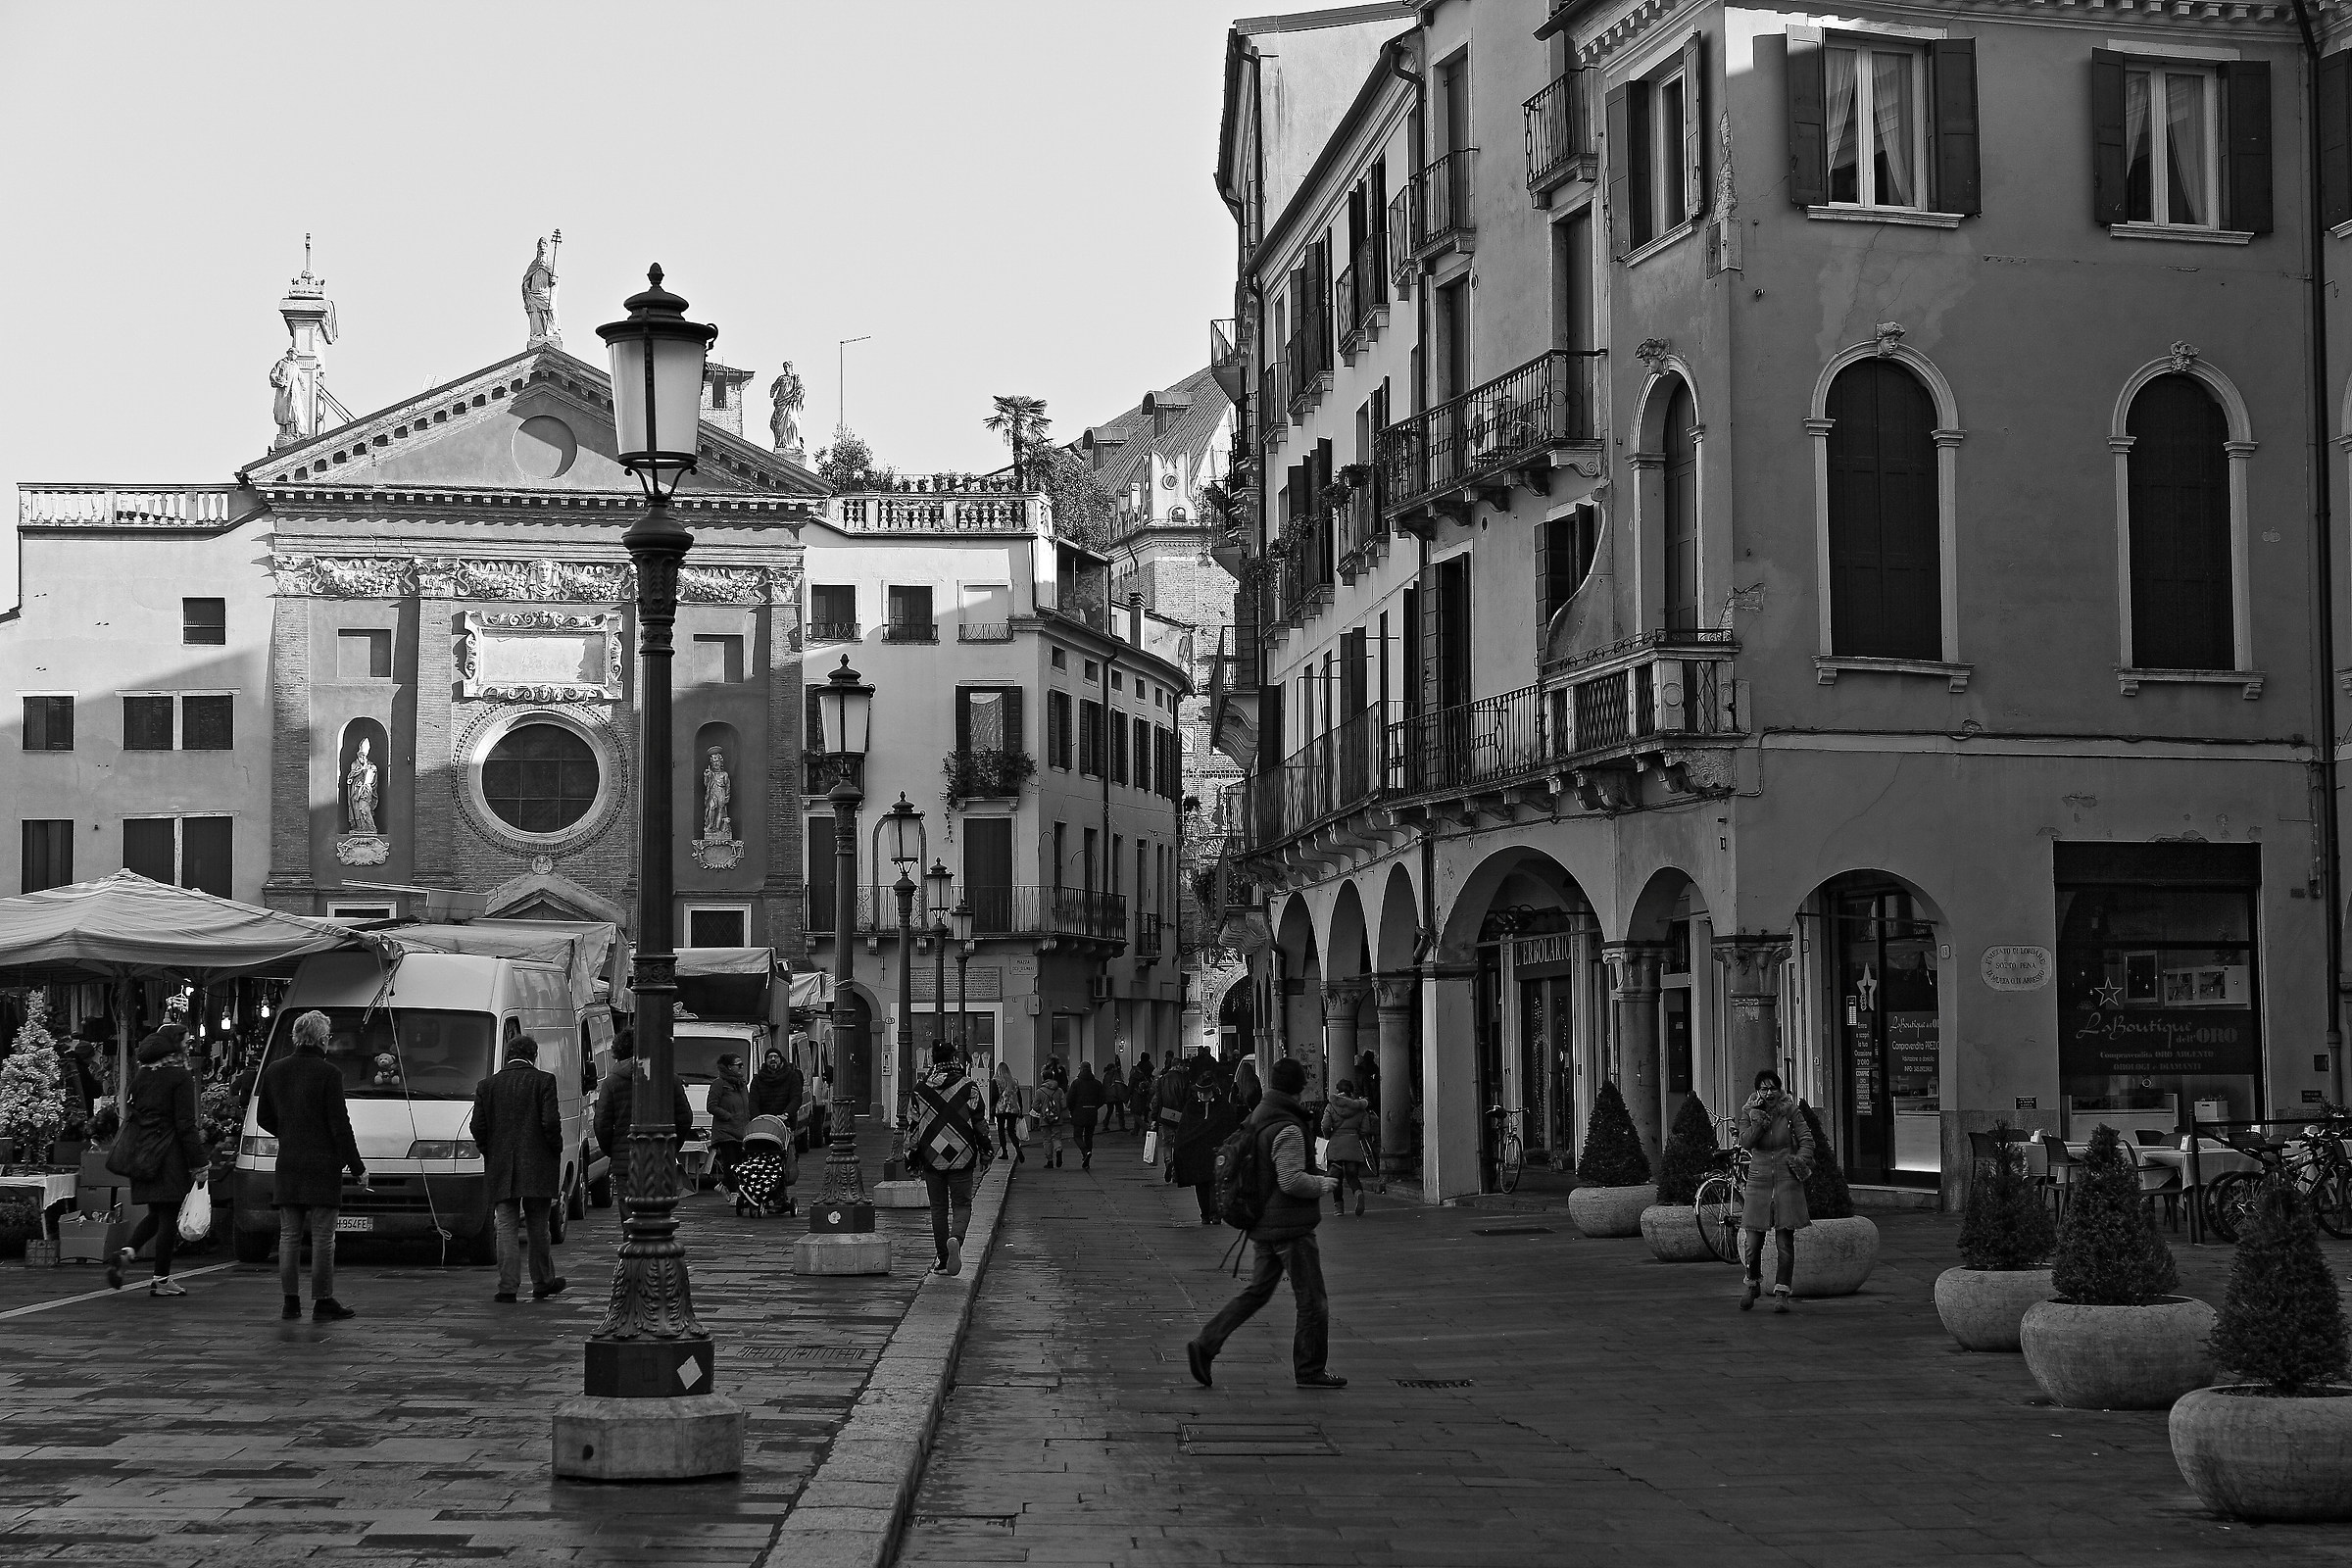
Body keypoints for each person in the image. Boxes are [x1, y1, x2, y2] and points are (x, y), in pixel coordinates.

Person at [1185, 1057, 1346, 1391]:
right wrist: (1323, 1185)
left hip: (1263, 1222)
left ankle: (1205, 1344)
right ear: (1300, 1087)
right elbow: (1289, 1180)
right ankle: (1310, 1369)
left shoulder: (1259, 1114)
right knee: (1313, 1300)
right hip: (1290, 1228)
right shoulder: (1287, 1125)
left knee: (1256, 1292)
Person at [257, 1010, 366, 1323]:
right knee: (322, 1238)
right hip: (322, 1165)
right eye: (328, 1038)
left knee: (289, 1236)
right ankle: (323, 1300)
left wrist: (290, 1132)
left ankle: (291, 1303)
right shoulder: (328, 1074)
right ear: (321, 1040)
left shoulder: (275, 1070)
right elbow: (340, 1125)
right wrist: (357, 1166)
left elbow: (264, 1117)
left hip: (289, 1163)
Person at [107, 1027, 209, 1298]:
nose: (189, 1045)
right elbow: (185, 1124)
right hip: (169, 1155)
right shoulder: (180, 1077)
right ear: (174, 1047)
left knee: (156, 1213)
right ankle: (161, 1279)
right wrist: (199, 1163)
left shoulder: (140, 1077)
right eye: (186, 1041)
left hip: (142, 1154)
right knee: (167, 1219)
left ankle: (126, 1253)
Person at [469, 1035, 566, 1304]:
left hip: (501, 1164)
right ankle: (543, 1282)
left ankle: (508, 1287)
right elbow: (550, 1122)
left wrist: (491, 1150)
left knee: (507, 1226)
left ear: (507, 1056)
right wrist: (554, 1148)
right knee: (538, 1227)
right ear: (533, 1056)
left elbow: (477, 1126)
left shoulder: (487, 1085)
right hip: (537, 1163)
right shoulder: (544, 1081)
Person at [905, 1041, 989, 1274]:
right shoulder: (969, 1087)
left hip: (932, 1156)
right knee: (962, 1204)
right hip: (963, 1155)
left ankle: (943, 1260)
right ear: (955, 1059)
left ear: (933, 1061)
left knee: (938, 1209)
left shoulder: (920, 1090)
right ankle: (956, 1239)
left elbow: (912, 1127)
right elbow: (980, 1124)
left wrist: (910, 1158)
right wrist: (986, 1151)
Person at [1736, 1069, 1815, 1313]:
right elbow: (1746, 1142)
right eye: (1764, 1089)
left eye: (1773, 1088)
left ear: (1780, 1090)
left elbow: (1807, 1141)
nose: (1769, 1093)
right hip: (1759, 1181)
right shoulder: (1749, 1112)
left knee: (1784, 1242)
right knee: (1752, 1241)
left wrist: (1798, 1162)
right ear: (1757, 1091)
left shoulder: (1790, 1111)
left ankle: (1782, 1292)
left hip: (1786, 1180)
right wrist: (1758, 1119)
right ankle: (1752, 1282)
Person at [593, 1028, 694, 1180]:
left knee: (627, 1202)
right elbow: (684, 1118)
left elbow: (602, 1124)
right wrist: (672, 1145)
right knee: (658, 1201)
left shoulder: (611, 1083)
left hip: (625, 1161)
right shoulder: (669, 1079)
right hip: (661, 1157)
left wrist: (613, 1150)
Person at [1323, 1080, 1374, 1216]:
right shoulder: (1360, 1108)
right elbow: (1365, 1129)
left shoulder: (1331, 1106)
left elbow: (1325, 1125)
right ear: (1351, 1091)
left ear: (1337, 1090)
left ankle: (1339, 1207)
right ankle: (1358, 1193)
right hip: (1352, 1143)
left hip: (1335, 1145)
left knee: (1336, 1178)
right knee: (1352, 1176)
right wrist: (1358, 1136)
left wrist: (1328, 1136)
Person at [707, 1054, 751, 1198]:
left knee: (739, 1164)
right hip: (725, 1131)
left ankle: (723, 1185)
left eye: (742, 1065)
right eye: (738, 1065)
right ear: (729, 1067)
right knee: (730, 1163)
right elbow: (711, 1106)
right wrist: (727, 1116)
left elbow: (747, 1104)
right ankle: (733, 1193)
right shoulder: (719, 1084)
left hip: (741, 1130)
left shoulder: (742, 1084)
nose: (741, 1068)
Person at [750, 1047, 803, 1145]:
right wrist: (757, 1118)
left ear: (781, 1059)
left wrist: (786, 1114)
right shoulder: (757, 1079)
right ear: (765, 1061)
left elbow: (796, 1098)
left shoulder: (791, 1076)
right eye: (770, 1057)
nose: (773, 1059)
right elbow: (753, 1101)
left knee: (787, 1153)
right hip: (763, 1125)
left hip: (785, 1122)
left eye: (776, 1057)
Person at [1152, 1054, 1192, 1180]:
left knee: (1167, 1142)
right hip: (1180, 1115)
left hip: (1165, 1114)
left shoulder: (1162, 1080)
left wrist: (1154, 1117)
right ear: (1178, 1066)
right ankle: (1176, 1172)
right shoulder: (1184, 1079)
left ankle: (1168, 1162)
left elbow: (1157, 1099)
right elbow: (1188, 1099)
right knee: (1178, 1144)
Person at [1065, 1062, 1105, 1171]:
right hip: (1092, 1112)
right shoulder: (1097, 1083)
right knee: (1089, 1136)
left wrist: (1072, 1109)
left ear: (1081, 1069)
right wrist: (1095, 1106)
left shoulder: (1076, 1083)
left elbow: (1069, 1099)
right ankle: (1087, 1158)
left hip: (1079, 1112)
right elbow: (1102, 1098)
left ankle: (1085, 1152)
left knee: (1077, 1135)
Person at [991, 1060, 1027, 1163]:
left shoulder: (996, 1081)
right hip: (1013, 1108)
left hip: (1001, 1108)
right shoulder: (1014, 1081)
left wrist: (992, 1110)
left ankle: (1005, 1152)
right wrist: (1021, 1109)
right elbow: (1019, 1097)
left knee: (1001, 1130)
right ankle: (1018, 1149)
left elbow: (994, 1096)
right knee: (1011, 1131)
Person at [1031, 1073, 1069, 1168]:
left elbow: (1035, 1106)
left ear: (1043, 1078)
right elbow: (1064, 1105)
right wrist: (1057, 1111)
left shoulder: (1039, 1091)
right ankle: (1058, 1149)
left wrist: (1043, 1110)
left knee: (1047, 1139)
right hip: (1057, 1119)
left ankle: (1050, 1160)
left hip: (1045, 1120)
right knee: (1056, 1137)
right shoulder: (1059, 1090)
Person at [1103, 1054, 1130, 1133]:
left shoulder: (1106, 1076)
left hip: (1109, 1096)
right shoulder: (1115, 1074)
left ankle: (1105, 1124)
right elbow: (1119, 1085)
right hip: (1116, 1095)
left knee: (1109, 1111)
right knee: (1120, 1112)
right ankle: (1122, 1126)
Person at [1129, 1056, 1154, 1135]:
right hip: (1143, 1096)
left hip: (1136, 1096)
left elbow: (1130, 1088)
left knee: (1135, 1114)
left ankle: (1144, 1127)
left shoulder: (1134, 1077)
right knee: (1139, 1113)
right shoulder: (1144, 1075)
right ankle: (1136, 1130)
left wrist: (1127, 1097)